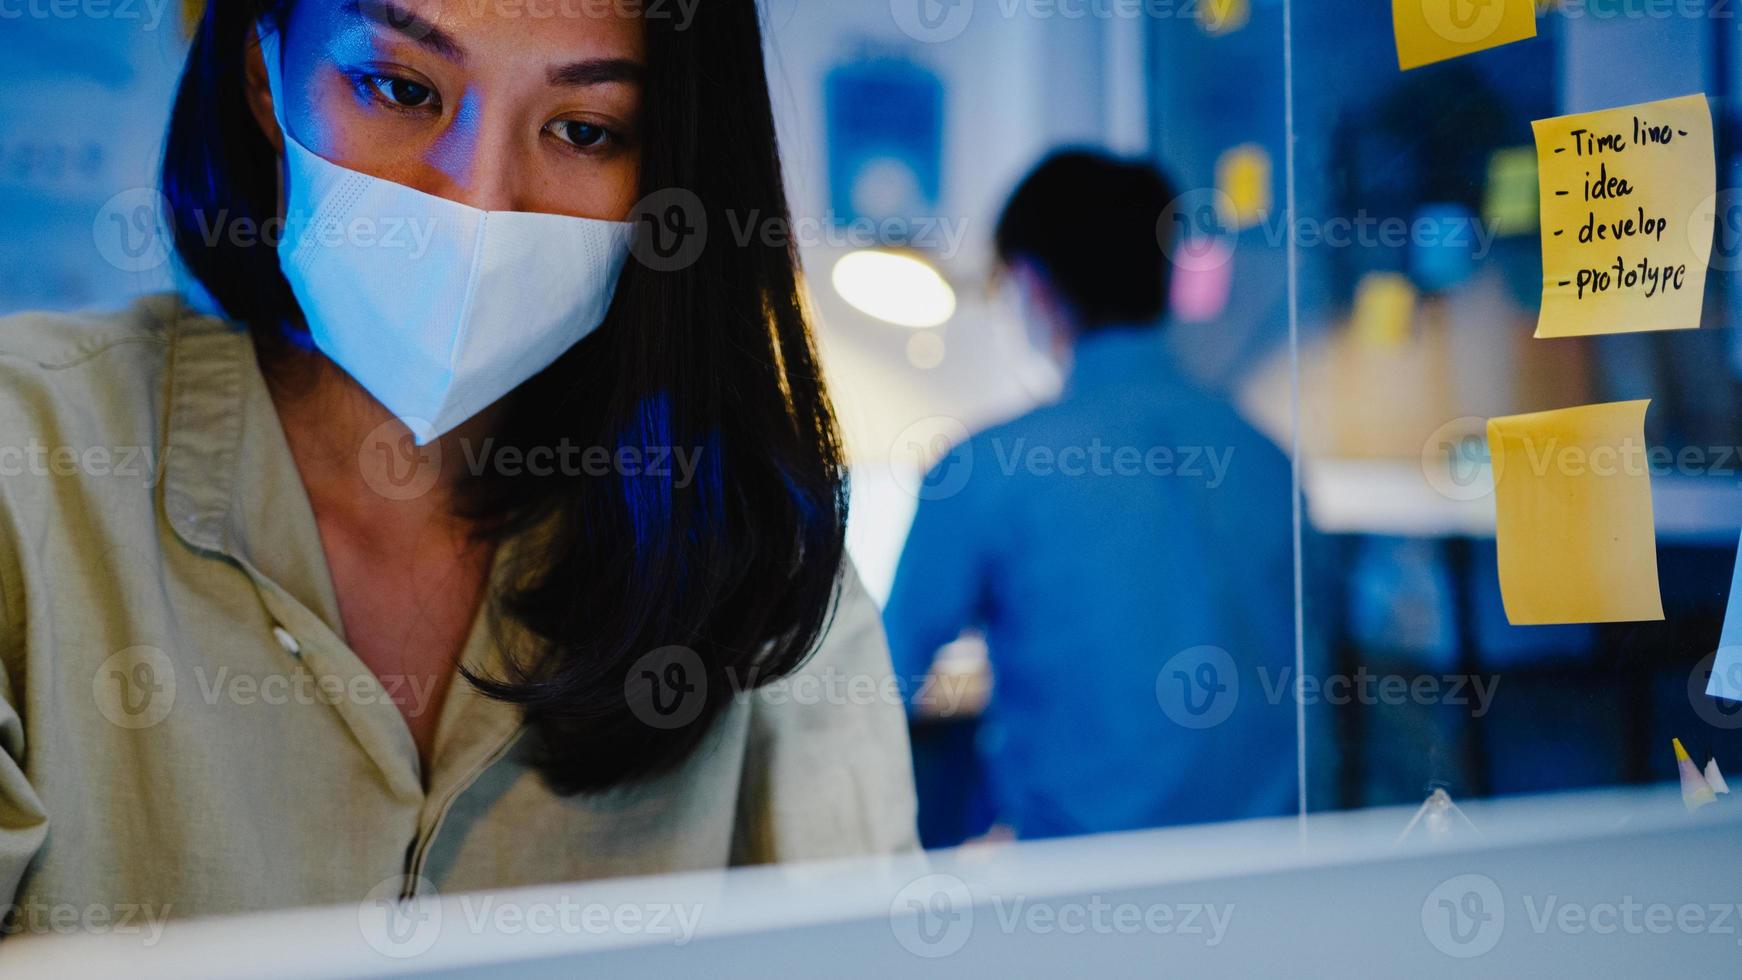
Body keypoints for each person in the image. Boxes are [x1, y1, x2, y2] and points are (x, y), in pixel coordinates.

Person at [0, 0, 916, 922]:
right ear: (264, 79)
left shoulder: (761, 565)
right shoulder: (26, 467)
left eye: (583, 131)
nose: (476, 203)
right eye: (400, 89)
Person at [883, 150, 1296, 840]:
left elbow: (881, 680)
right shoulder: (1266, 459)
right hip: (1276, 878)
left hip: (1083, 899)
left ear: (1032, 286)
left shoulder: (989, 468)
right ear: (1167, 278)